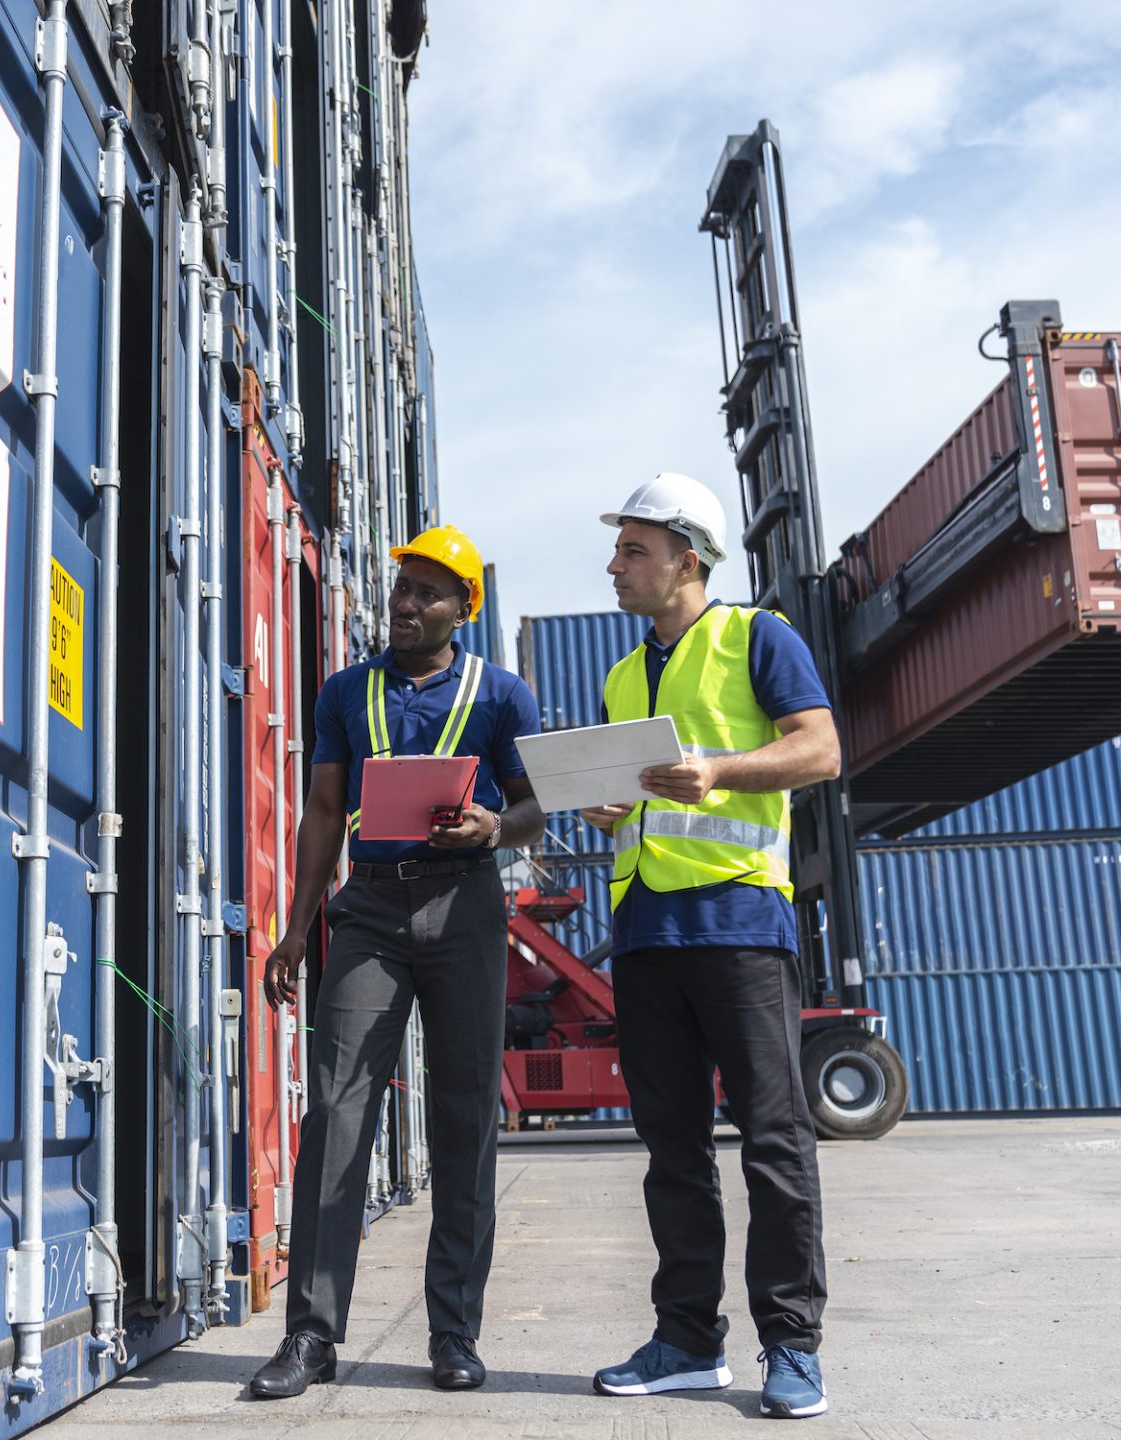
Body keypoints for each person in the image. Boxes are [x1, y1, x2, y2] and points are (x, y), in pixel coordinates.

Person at [248, 525, 545, 1399]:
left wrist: (493, 827)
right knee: (336, 1114)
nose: (406, 604)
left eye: (426, 593)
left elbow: (534, 808)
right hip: (371, 909)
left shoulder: (503, 695)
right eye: (401, 589)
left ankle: (454, 1333)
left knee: (464, 1120)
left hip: (466, 906)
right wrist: (297, 927)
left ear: (463, 608)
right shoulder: (346, 692)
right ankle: (310, 1336)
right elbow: (323, 810)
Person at [582, 473, 842, 1420]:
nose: (615, 566)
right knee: (672, 1150)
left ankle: (792, 1345)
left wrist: (720, 770)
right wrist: (611, 804)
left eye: (634, 550)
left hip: (738, 922)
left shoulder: (757, 637)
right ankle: (689, 1341)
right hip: (645, 930)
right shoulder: (621, 675)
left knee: (773, 1139)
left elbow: (820, 750)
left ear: (686, 559)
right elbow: (637, 794)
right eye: (618, 550)